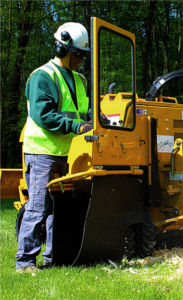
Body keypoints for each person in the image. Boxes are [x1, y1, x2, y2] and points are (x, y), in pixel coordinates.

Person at [16, 22, 92, 272]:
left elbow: (83, 112)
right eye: (78, 54)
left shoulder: (80, 80)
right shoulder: (43, 76)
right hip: (42, 153)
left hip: (69, 153)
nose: (81, 59)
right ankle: (25, 262)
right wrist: (76, 126)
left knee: (58, 210)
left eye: (83, 55)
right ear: (63, 49)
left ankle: (53, 259)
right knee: (38, 208)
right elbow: (43, 115)